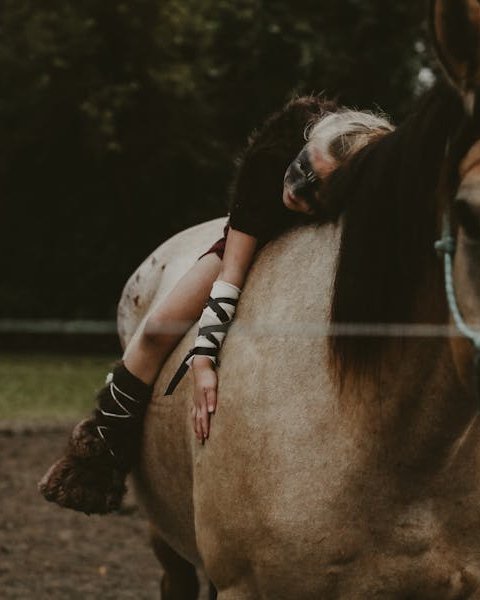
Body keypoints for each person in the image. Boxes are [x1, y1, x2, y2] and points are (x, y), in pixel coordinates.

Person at [38, 96, 393, 515]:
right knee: (155, 330)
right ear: (302, 148)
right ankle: (101, 452)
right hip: (257, 231)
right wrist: (203, 358)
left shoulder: (376, 187)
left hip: (318, 246)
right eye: (302, 170)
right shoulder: (269, 164)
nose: (296, 190)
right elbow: (232, 273)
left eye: (317, 188)